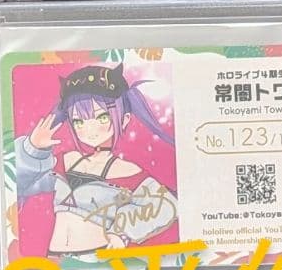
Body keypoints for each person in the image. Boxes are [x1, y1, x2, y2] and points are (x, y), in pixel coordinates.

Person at [14, 62, 178, 258]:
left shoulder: (125, 170)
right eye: (79, 121)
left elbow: (167, 206)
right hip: (55, 258)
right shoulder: (66, 161)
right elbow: (20, 186)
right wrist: (34, 149)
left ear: (124, 119)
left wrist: (122, 232)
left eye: (101, 118)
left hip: (96, 258)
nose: (89, 129)